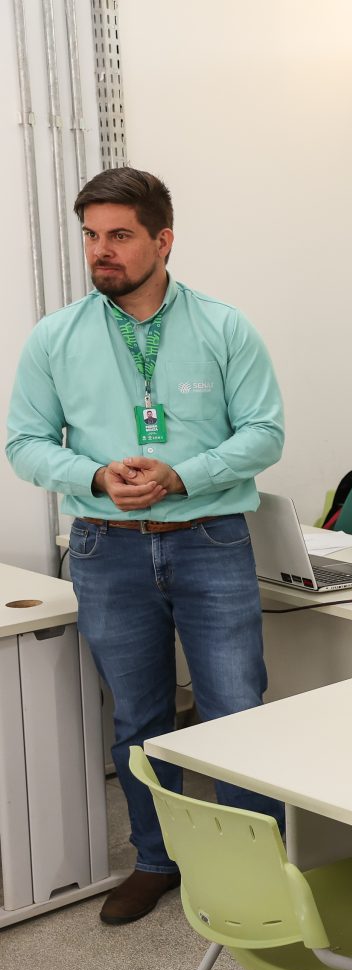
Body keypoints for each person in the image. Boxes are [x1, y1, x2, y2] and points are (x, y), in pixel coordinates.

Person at [6, 167, 286, 924]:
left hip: (210, 540)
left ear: (163, 240)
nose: (101, 250)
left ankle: (256, 868)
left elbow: (265, 433)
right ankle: (157, 860)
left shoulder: (224, 327)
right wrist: (96, 475)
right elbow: (24, 443)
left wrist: (183, 476)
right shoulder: (56, 337)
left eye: (119, 235)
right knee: (138, 718)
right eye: (91, 235)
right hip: (106, 548)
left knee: (236, 712)